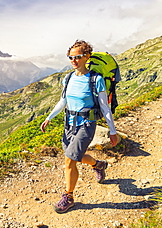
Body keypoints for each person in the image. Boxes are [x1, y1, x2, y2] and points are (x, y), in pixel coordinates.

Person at [40, 40, 118, 214]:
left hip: (86, 125)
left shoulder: (96, 80)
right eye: (71, 57)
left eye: (78, 57)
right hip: (69, 124)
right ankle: (98, 164)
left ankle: (68, 197)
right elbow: (63, 101)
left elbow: (104, 107)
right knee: (76, 156)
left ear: (87, 57)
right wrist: (49, 118)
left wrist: (112, 132)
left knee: (69, 160)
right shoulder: (68, 78)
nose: (74, 60)